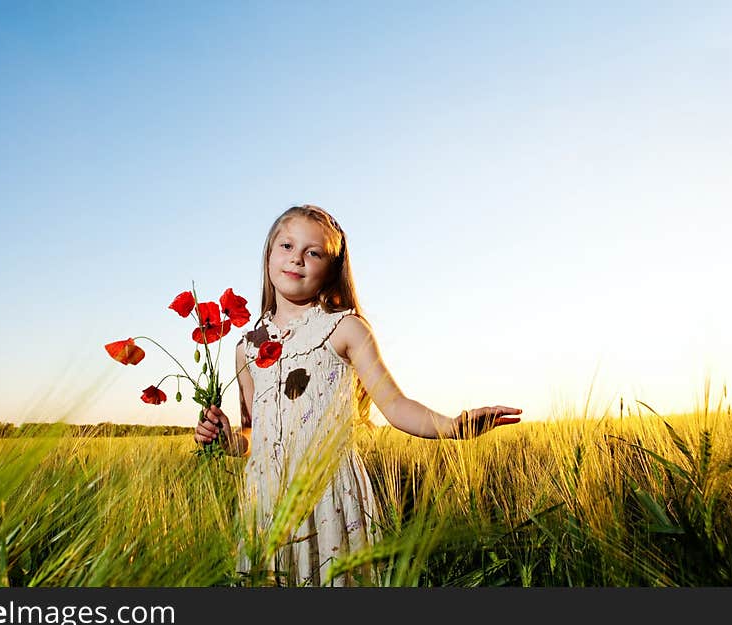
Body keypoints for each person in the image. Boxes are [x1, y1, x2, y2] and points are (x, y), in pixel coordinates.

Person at [194, 204, 522, 586]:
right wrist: (228, 439)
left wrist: (452, 427)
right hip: (268, 499)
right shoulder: (246, 348)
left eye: (313, 252)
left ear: (333, 270)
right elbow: (254, 432)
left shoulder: (346, 329)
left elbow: (396, 405)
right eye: (286, 245)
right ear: (268, 254)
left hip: (329, 493)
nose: (296, 258)